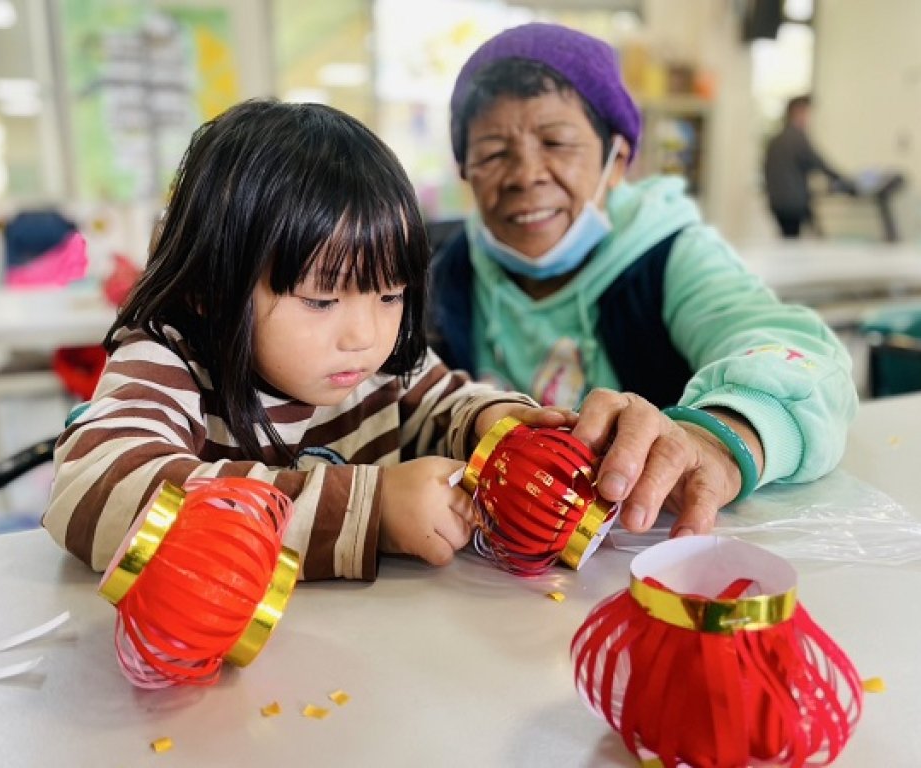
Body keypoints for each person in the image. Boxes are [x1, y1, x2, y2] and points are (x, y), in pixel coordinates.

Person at [42, 98, 577, 580]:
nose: (365, 336)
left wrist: (498, 427)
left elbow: (449, 406)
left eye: (390, 296)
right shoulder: (171, 359)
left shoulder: (383, 366)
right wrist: (372, 512)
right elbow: (94, 489)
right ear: (211, 285)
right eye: (321, 301)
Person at [430, 23, 858, 538]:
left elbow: (803, 361)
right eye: (494, 152)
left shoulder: (667, 253)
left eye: (557, 142)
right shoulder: (444, 273)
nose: (526, 174)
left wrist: (719, 441)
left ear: (618, 160)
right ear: (465, 171)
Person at [764, 94, 857, 238]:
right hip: (793, 202)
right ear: (798, 112)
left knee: (789, 238)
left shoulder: (775, 140)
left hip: (777, 202)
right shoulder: (797, 138)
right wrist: (846, 182)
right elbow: (818, 163)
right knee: (802, 238)